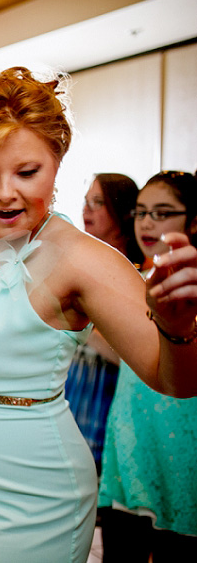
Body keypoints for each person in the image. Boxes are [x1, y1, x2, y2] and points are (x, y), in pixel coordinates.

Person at [0, 67, 197, 562]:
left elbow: (174, 382)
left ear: (57, 162)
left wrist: (177, 329)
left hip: (29, 503)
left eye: (26, 172)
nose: (4, 192)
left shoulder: (81, 260)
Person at [98, 170, 197, 560]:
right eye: (141, 213)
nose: (148, 223)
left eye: (162, 212)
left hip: (184, 440)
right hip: (131, 435)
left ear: (192, 221)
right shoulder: (128, 279)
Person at [64, 173, 140, 473]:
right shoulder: (76, 261)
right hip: (75, 384)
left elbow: (130, 356)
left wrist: (82, 321)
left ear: (122, 212)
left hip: (109, 391)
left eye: (98, 203)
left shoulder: (134, 275)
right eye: (85, 202)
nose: (87, 210)